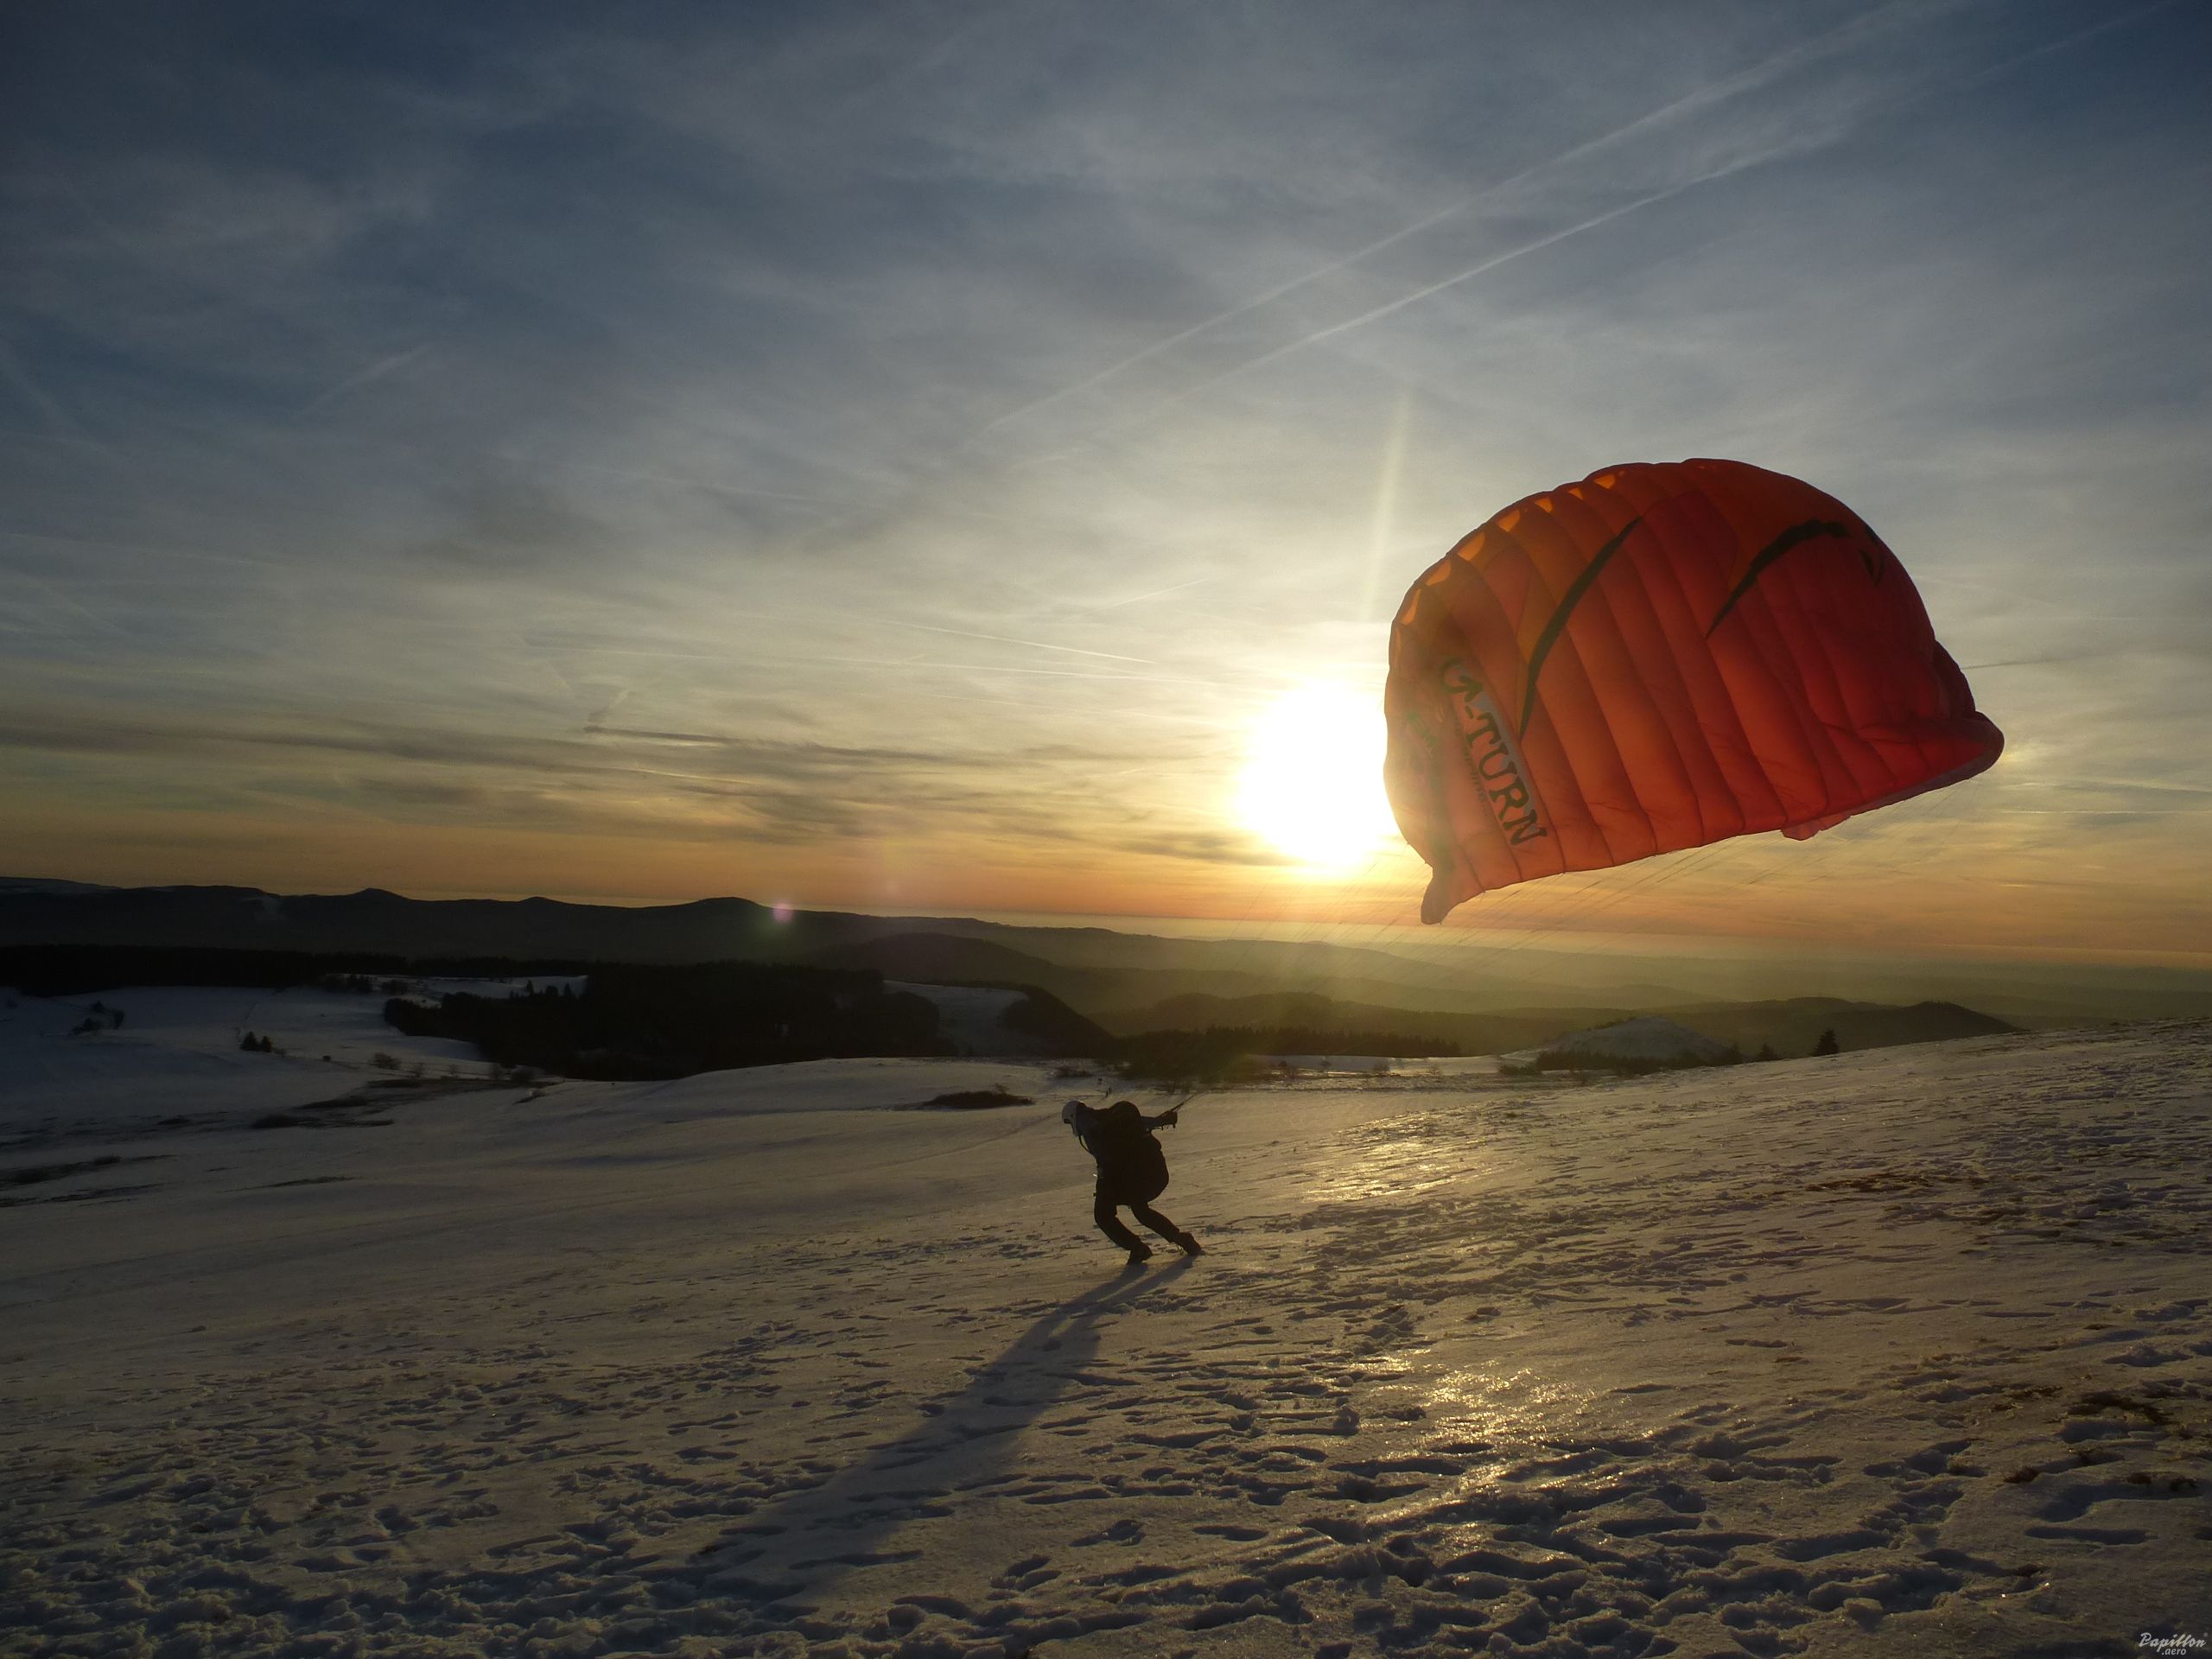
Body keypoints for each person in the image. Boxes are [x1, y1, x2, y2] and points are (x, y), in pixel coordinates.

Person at [1063, 1098, 1202, 1268]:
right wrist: (1163, 1120)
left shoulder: (1088, 1125)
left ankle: (1138, 1248)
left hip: (1131, 1174)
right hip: (1153, 1171)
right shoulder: (1110, 1116)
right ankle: (1182, 1239)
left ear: (1072, 1117)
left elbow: (1105, 1157)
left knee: (1103, 1215)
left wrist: (1103, 1186)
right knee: (1140, 1209)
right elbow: (1140, 1122)